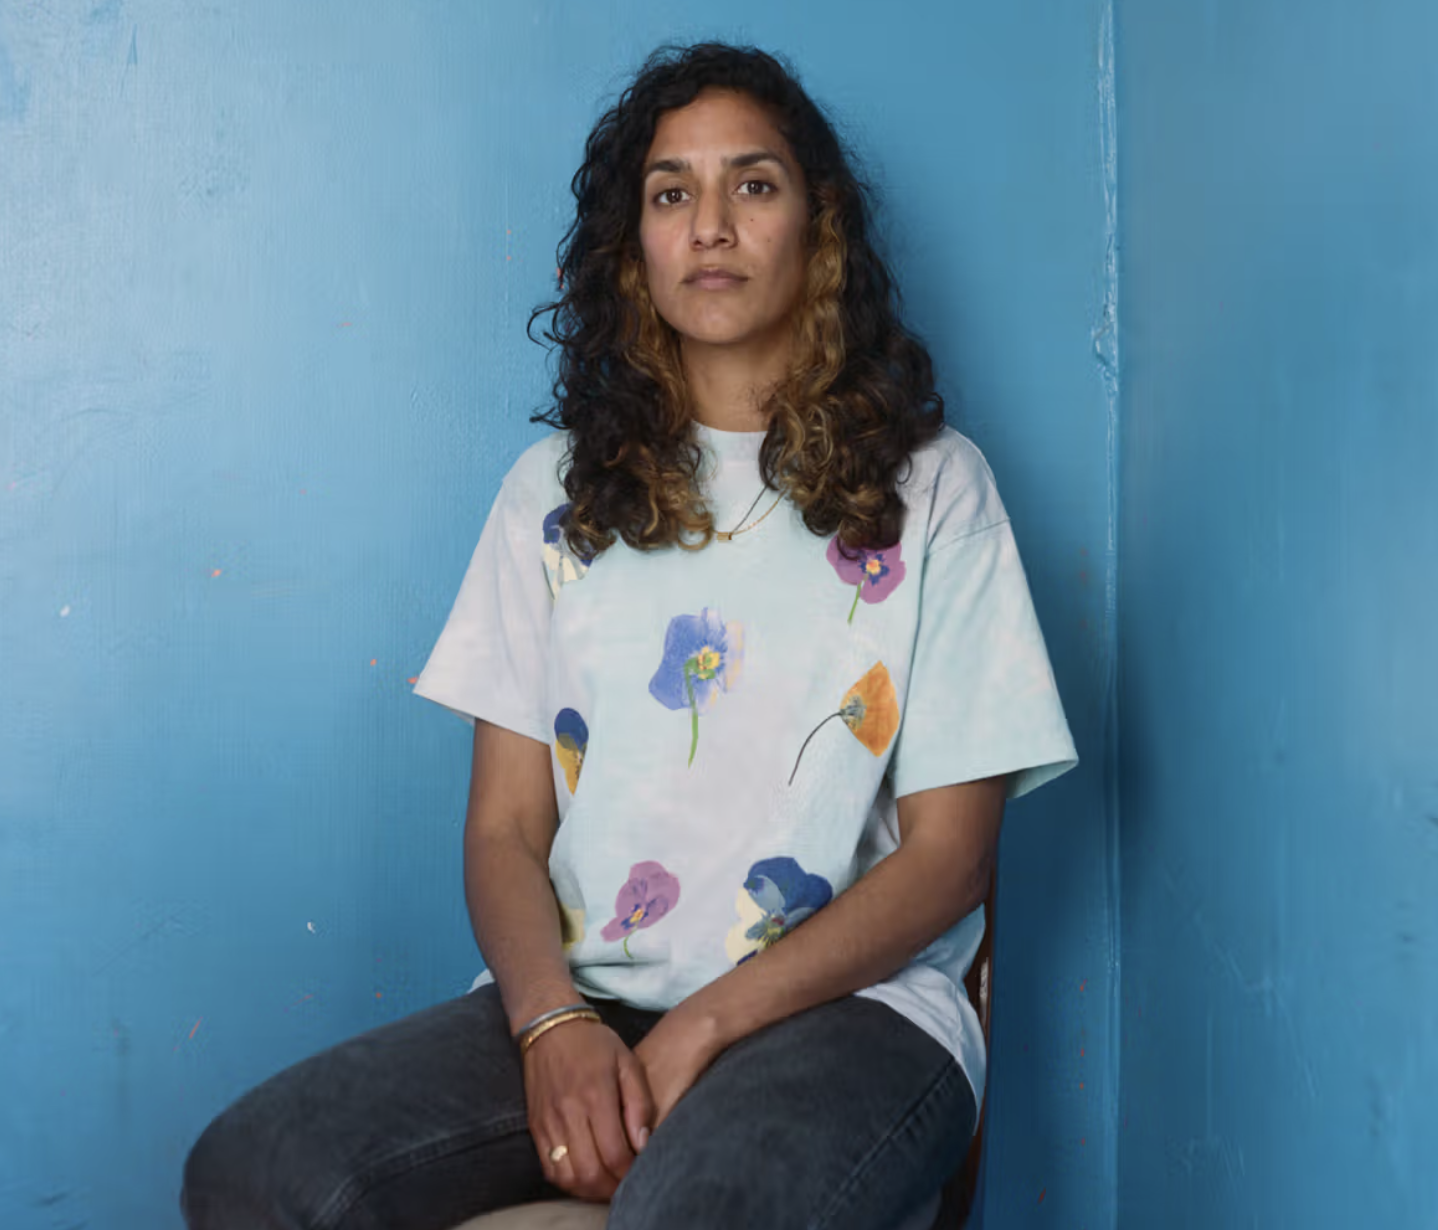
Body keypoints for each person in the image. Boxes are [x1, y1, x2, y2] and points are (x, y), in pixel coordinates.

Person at [181, 41, 1077, 1230]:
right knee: (252, 1173)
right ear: (631, 247)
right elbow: (504, 829)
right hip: (584, 1003)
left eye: (752, 184)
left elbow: (949, 860)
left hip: (852, 1017)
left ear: (818, 227)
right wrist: (551, 1023)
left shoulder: (935, 489)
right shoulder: (548, 497)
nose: (710, 225)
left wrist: (703, 1026)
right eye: (669, 193)